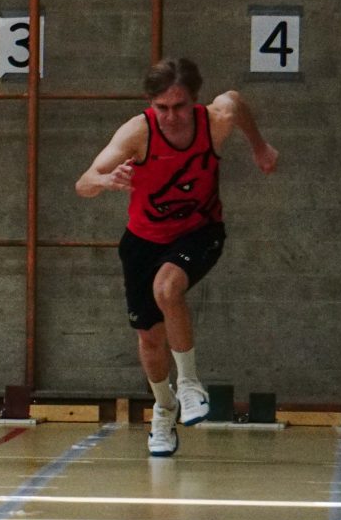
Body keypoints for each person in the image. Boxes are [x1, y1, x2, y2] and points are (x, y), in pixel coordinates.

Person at [76, 57, 278, 457]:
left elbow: (235, 101)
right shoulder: (138, 132)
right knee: (150, 340)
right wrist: (105, 180)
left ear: (195, 100)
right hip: (143, 240)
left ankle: (189, 384)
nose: (170, 117)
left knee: (168, 289)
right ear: (150, 103)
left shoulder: (215, 122)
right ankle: (165, 408)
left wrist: (260, 146)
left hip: (200, 231)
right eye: (162, 107)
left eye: (179, 106)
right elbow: (84, 182)